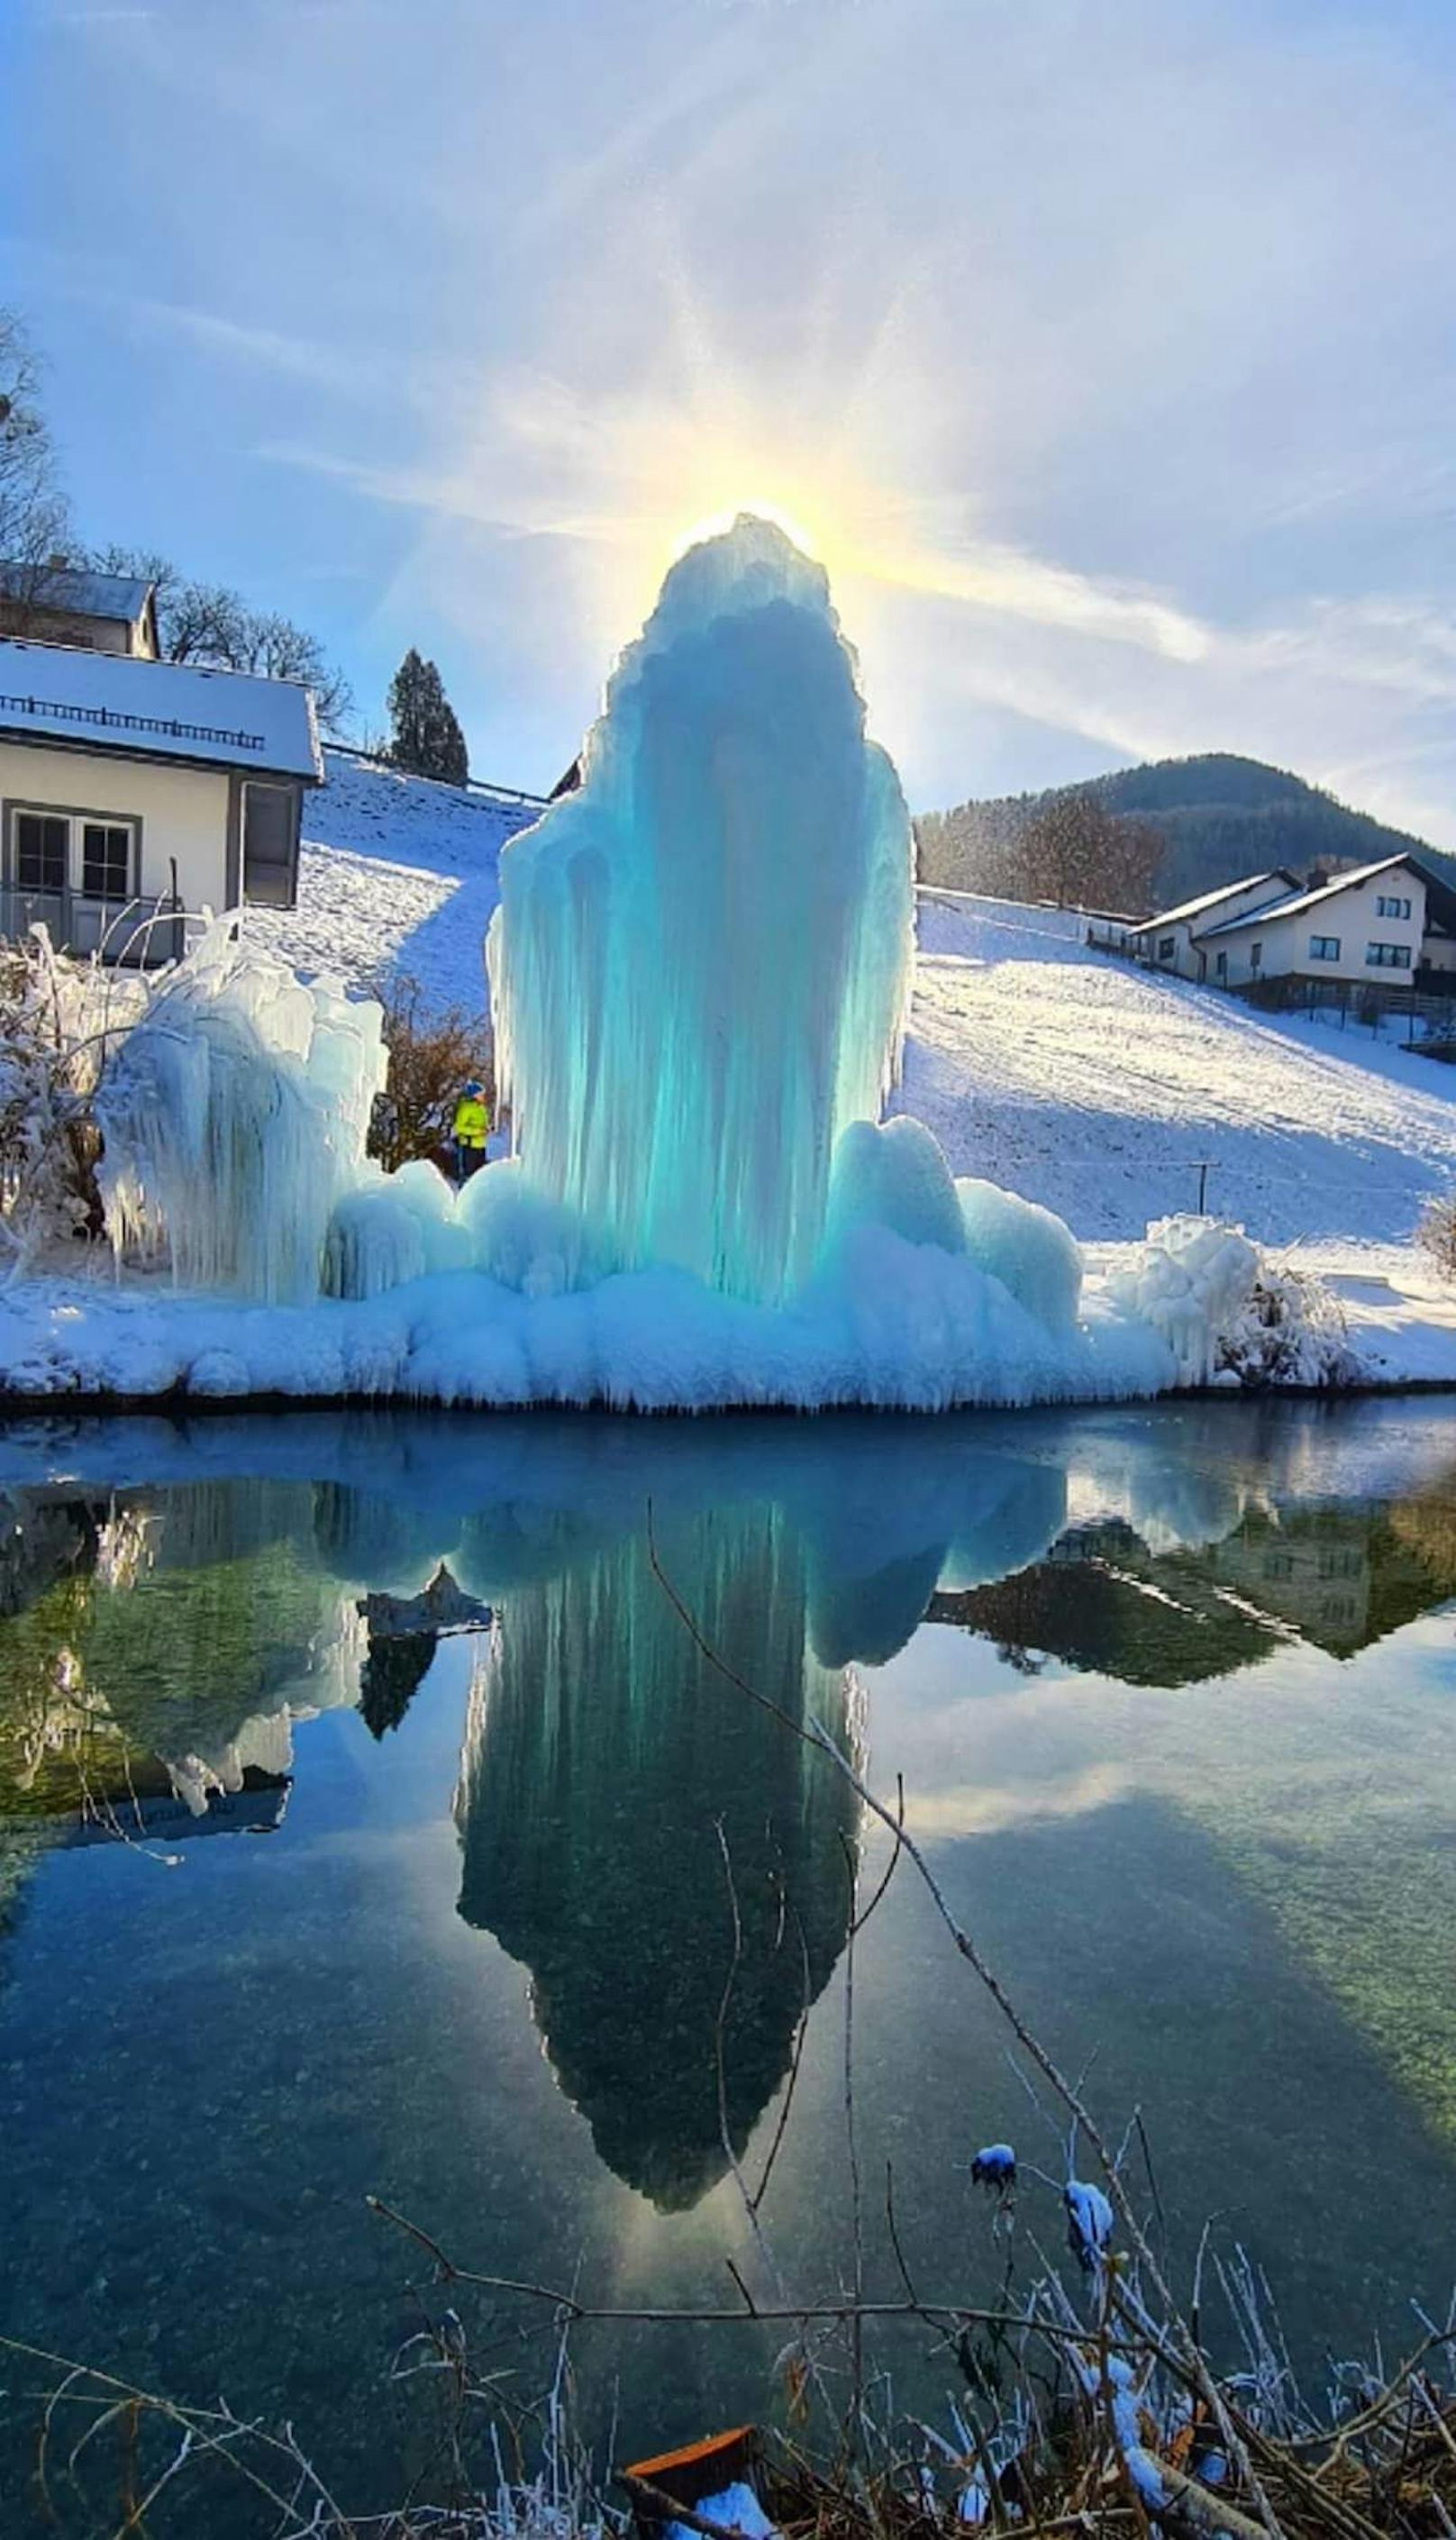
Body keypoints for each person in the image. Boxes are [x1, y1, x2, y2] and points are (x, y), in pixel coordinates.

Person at [451, 1079, 490, 1183]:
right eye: (481, 1094)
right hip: (469, 1145)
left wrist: (487, 1129)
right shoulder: (466, 1108)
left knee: (480, 1175)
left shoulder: (481, 1108)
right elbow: (459, 1127)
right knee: (469, 1174)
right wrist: (477, 1131)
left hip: (480, 1145)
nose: (483, 1096)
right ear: (474, 1096)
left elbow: (480, 1124)